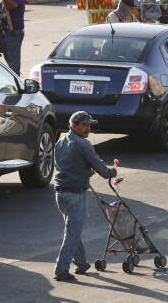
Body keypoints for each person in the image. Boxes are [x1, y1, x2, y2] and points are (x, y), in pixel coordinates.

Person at [53, 111, 117, 281]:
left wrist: (85, 173)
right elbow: (102, 169)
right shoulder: (83, 144)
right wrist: (112, 171)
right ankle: (61, 269)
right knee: (72, 233)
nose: (88, 128)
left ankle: (81, 264)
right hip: (75, 194)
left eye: (89, 125)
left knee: (72, 230)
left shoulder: (60, 141)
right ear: (73, 125)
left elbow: (66, 167)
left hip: (60, 193)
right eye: (84, 125)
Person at [0, 0, 26, 74]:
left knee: (14, 61)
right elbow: (0, 17)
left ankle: (16, 81)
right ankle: (13, 77)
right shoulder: (2, 2)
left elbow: (10, 6)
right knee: (8, 58)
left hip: (14, 33)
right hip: (5, 33)